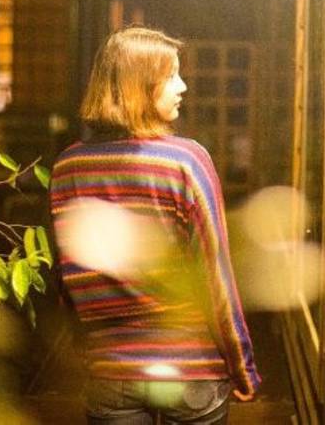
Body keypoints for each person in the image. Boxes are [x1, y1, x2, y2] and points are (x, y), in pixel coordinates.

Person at [50, 26, 260, 424]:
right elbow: (214, 273)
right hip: (192, 372)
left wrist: (88, 353)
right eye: (171, 75)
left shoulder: (68, 166)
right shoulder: (186, 162)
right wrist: (242, 366)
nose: (183, 86)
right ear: (139, 87)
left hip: (111, 372)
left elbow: (68, 277)